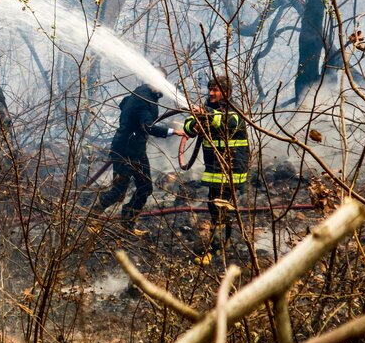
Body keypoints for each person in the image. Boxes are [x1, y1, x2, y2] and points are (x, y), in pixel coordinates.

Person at [183, 74, 250, 264]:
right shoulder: (206, 107)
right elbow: (188, 126)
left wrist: (207, 117)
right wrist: (196, 122)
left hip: (232, 168)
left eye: (216, 90)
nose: (211, 93)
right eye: (210, 89)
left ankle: (215, 249)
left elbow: (228, 122)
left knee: (218, 207)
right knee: (216, 206)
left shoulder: (234, 109)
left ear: (226, 93)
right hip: (214, 167)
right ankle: (226, 240)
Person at [95, 83, 178, 232]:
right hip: (125, 150)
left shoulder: (138, 94)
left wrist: (132, 123)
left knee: (145, 188)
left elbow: (124, 104)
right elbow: (148, 127)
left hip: (136, 150)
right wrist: (172, 131)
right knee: (119, 190)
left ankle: (127, 224)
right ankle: (92, 217)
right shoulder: (144, 100)